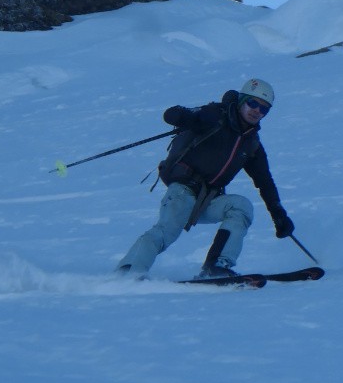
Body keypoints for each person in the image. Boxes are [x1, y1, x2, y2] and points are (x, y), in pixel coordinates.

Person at [116, 78, 295, 279]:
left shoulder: (251, 144)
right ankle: (130, 270)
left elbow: (265, 182)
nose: (257, 111)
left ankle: (216, 267)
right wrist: (180, 115)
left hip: (208, 199)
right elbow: (177, 116)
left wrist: (278, 214)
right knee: (167, 232)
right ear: (241, 100)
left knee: (240, 207)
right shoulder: (215, 117)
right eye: (252, 103)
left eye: (264, 109)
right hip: (183, 190)